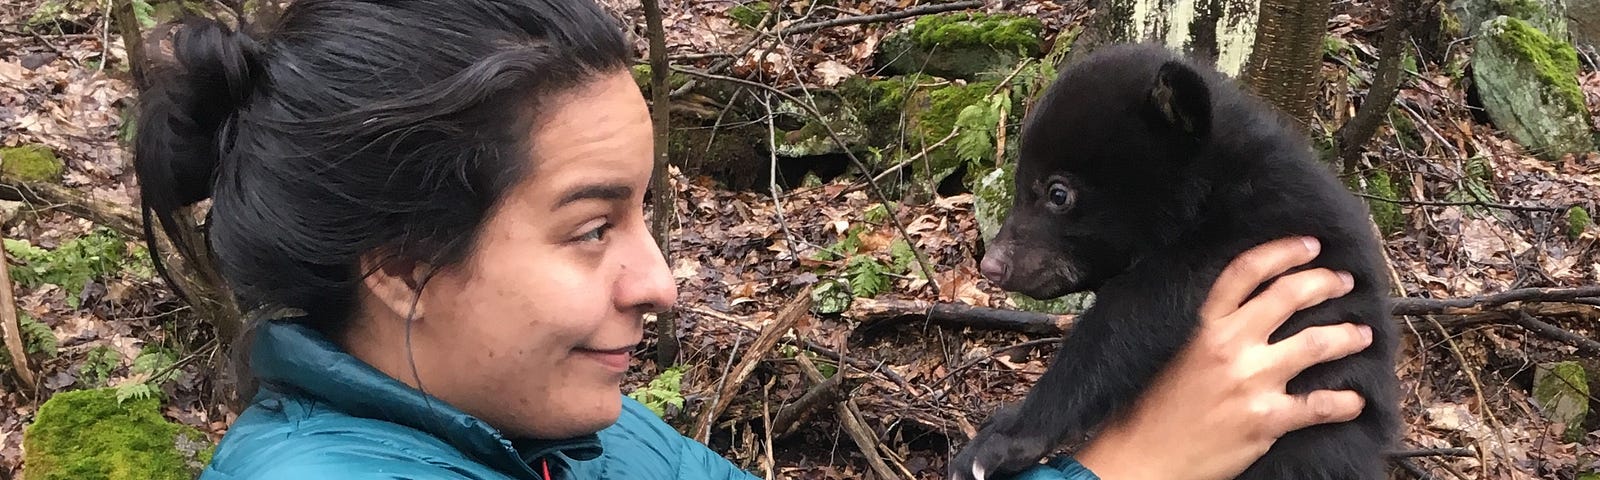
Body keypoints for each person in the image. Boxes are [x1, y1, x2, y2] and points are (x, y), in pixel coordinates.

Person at [130, 1, 1376, 479]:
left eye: (648, 212)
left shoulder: (595, 438)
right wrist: (1121, 472)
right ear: (398, 260)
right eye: (589, 227)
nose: (660, 281)